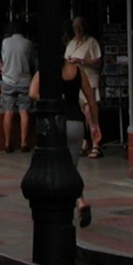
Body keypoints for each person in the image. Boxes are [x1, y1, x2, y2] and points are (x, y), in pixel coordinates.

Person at [31, 37, 101, 228]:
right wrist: (94, 125)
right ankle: (78, 201)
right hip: (77, 124)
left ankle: (78, 202)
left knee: (61, 169)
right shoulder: (77, 70)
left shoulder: (46, 72)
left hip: (57, 124)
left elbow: (32, 92)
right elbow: (91, 100)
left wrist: (50, 97)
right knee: (71, 167)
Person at [64, 16, 105, 158]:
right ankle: (84, 142)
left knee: (90, 112)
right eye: (75, 27)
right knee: (81, 113)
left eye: (80, 26)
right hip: (76, 83)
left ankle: (96, 143)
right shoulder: (71, 44)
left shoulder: (91, 42)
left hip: (90, 80)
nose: (78, 29)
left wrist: (81, 60)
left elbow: (98, 62)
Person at [0, 21, 36, 153]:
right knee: (24, 112)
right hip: (24, 81)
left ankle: (7, 143)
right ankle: (24, 143)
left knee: (8, 112)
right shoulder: (28, 43)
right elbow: (32, 60)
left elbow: (3, 58)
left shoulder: (5, 42)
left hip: (8, 80)